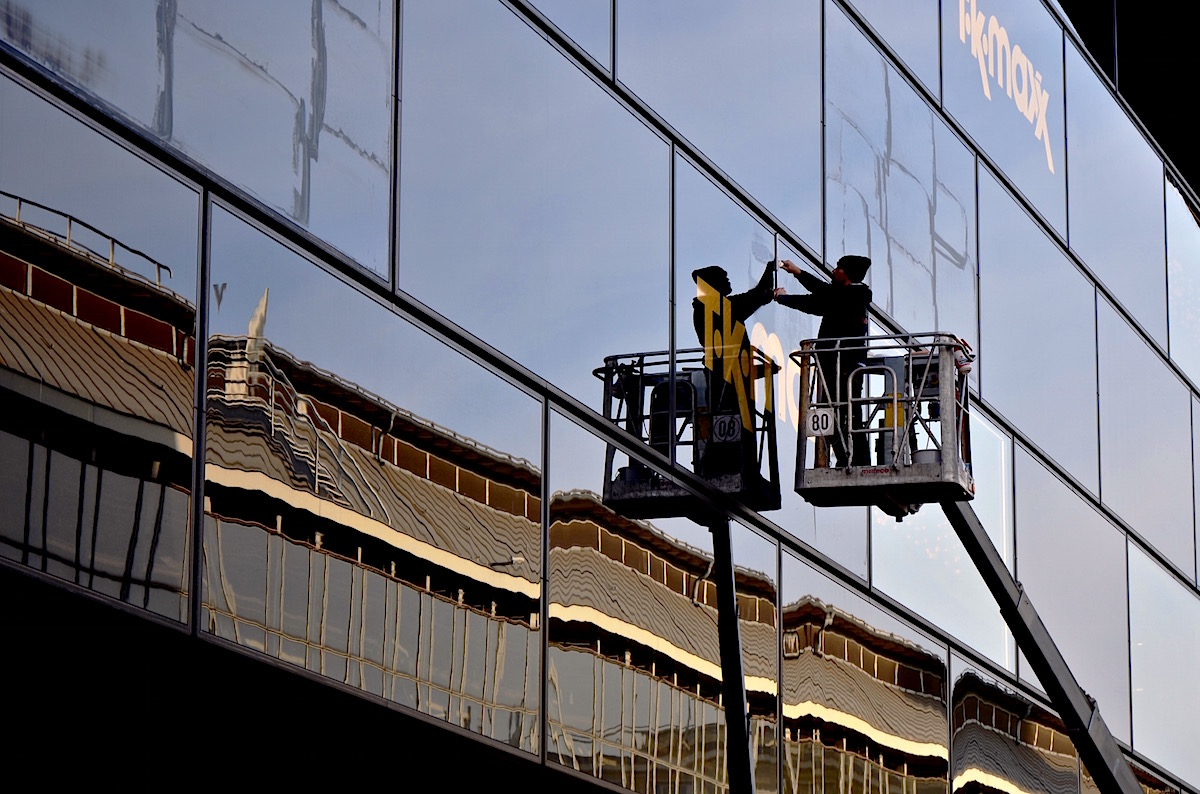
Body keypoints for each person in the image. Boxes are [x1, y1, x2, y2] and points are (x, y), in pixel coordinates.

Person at [774, 255, 872, 467]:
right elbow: (821, 299)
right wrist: (796, 275)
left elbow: (817, 300)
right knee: (834, 413)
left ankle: (857, 461)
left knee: (847, 413)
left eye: (838, 268)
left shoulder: (853, 295)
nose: (834, 271)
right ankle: (848, 458)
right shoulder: (844, 297)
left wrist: (788, 290)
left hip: (844, 366)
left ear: (846, 273)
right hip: (835, 365)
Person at [688, 263, 778, 475]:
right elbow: (753, 298)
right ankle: (723, 468)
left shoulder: (714, 306)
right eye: (723, 278)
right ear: (713, 283)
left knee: (733, 426)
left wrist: (768, 272)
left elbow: (753, 297)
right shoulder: (713, 307)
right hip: (725, 381)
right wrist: (768, 275)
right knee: (729, 424)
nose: (728, 281)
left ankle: (732, 467)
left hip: (731, 377)